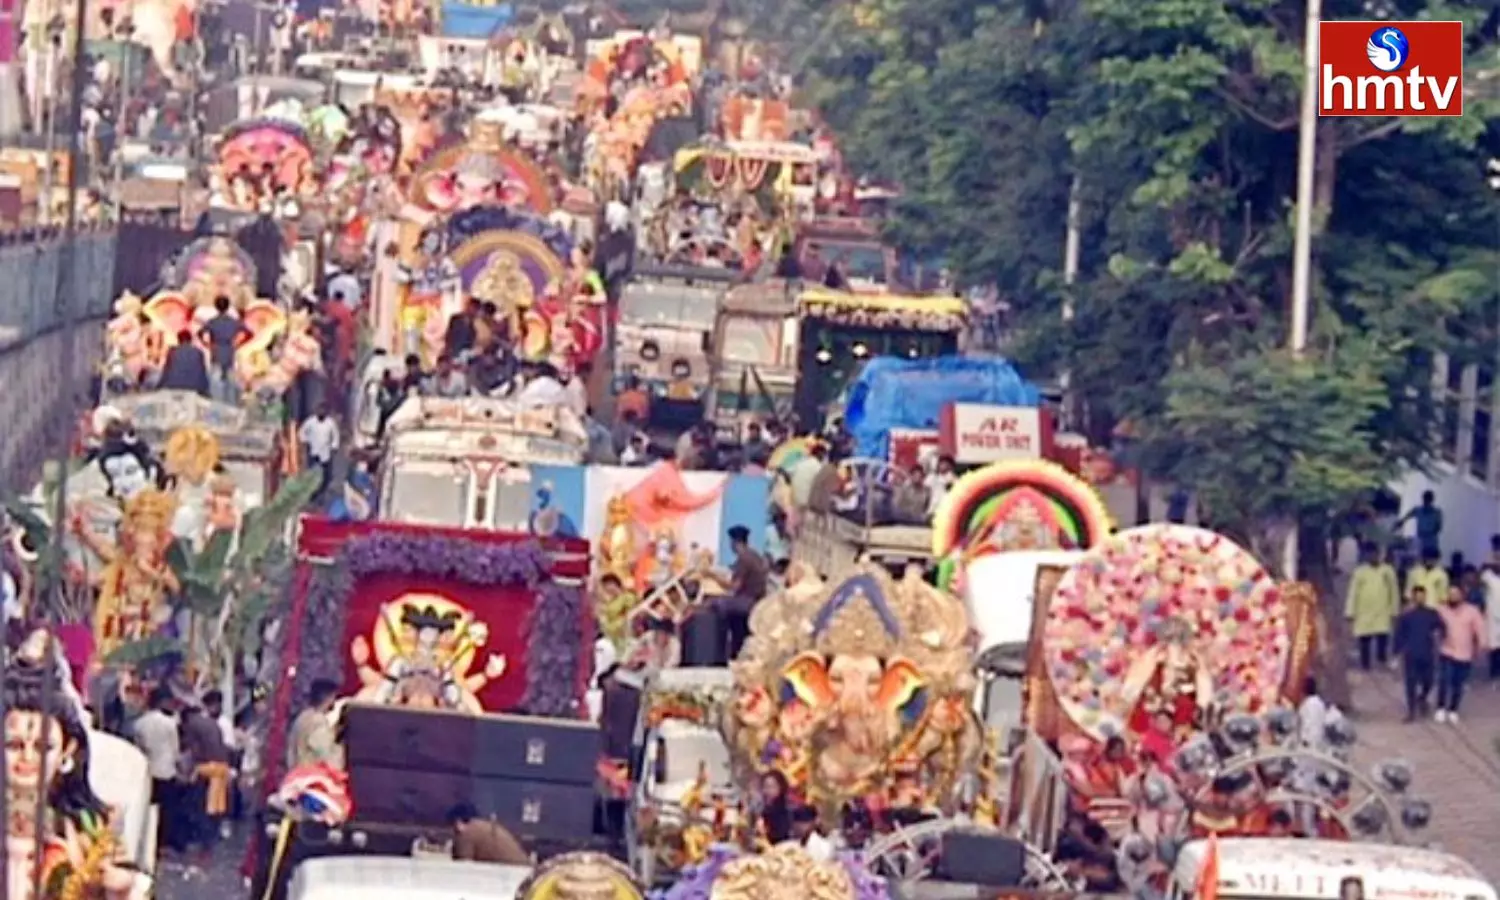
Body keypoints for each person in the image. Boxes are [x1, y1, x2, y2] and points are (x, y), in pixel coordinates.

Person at [180, 691, 232, 862]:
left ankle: (205, 846)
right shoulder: (212, 724)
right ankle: (209, 844)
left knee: (202, 810)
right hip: (220, 770)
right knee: (214, 809)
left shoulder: (194, 725)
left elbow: (193, 751)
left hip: (206, 770)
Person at [134, 686, 184, 852]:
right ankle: (164, 842)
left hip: (147, 773)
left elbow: (138, 749)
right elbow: (175, 750)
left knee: (149, 809)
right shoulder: (169, 724)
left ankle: (149, 843)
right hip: (166, 771)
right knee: (168, 811)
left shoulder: (139, 724)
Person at [708, 525, 769, 660]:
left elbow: (733, 587)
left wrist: (711, 576)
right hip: (757, 601)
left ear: (735, 542)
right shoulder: (754, 555)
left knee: (714, 604)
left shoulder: (744, 559)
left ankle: (719, 653)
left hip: (748, 602)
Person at [1434, 584, 1487, 723]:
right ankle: (1440, 708)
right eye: (1450, 594)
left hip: (1464, 654)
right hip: (1446, 651)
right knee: (1444, 680)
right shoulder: (1441, 610)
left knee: (1458, 683)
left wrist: (1481, 646)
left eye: (1456, 594)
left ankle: (1453, 709)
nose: (1453, 597)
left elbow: (1480, 630)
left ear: (1462, 595)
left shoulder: (1472, 611)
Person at [1392, 587, 1444, 721]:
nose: (1420, 598)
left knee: (1429, 680)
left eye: (1423, 596)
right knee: (1411, 683)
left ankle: (1422, 697)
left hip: (1427, 652)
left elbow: (1441, 627)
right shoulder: (1406, 616)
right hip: (1411, 654)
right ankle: (1411, 712)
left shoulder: (1432, 613)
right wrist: (1396, 653)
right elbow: (1399, 635)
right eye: (1418, 596)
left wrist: (1439, 635)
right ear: (1413, 598)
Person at [1344, 544, 1398, 670]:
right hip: (1364, 611)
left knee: (1382, 637)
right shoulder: (1360, 572)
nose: (1373, 557)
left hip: (1382, 610)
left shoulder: (1388, 571)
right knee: (1364, 639)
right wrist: (1350, 611)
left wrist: (1394, 610)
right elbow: (1353, 592)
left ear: (1379, 554)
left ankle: (1382, 662)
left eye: (1375, 554)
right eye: (1370, 554)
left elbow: (1393, 591)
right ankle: (1365, 665)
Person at [447, 802, 531, 864]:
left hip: (512, 877)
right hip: (524, 874)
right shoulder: (488, 827)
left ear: (457, 822)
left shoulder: (467, 833)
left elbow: (463, 869)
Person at [201, 295, 248, 404]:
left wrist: (208, 344)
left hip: (216, 350)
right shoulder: (233, 321)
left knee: (215, 380)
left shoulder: (213, 321)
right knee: (230, 379)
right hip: (229, 350)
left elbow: (200, 333)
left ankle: (216, 403)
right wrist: (239, 343)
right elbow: (249, 332)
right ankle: (230, 404)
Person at [287, 678, 341, 769]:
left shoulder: (302, 717)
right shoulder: (318, 722)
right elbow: (329, 758)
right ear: (328, 698)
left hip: (295, 775)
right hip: (310, 777)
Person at [298, 404, 340, 500]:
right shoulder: (310, 422)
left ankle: (321, 492)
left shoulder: (330, 423)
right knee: (312, 474)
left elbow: (335, 435)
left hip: (325, 453)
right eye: (319, 410)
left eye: (323, 411)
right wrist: (305, 442)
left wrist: (334, 447)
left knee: (325, 475)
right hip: (313, 452)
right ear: (316, 411)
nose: (321, 413)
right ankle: (311, 493)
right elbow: (302, 432)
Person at [160, 329, 212, 396]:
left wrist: (159, 386)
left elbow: (166, 371)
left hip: (173, 385)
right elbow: (202, 372)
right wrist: (205, 389)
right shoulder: (198, 352)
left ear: (178, 340)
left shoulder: (173, 351)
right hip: (194, 387)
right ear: (190, 340)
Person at [1400, 491, 1444, 560]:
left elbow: (1438, 527)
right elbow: (1406, 517)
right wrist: (1400, 523)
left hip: (1431, 542)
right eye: (1425, 499)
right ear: (1423, 499)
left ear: (1431, 500)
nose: (1426, 502)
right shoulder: (1418, 510)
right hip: (1421, 541)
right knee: (1420, 558)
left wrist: (1430, 532)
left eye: (1428, 500)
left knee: (1431, 559)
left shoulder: (1436, 512)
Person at [757, 770, 792, 843]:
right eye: (765, 787)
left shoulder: (785, 809)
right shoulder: (766, 808)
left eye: (771, 787)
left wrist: (764, 832)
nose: (767, 791)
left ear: (781, 787)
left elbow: (781, 834)